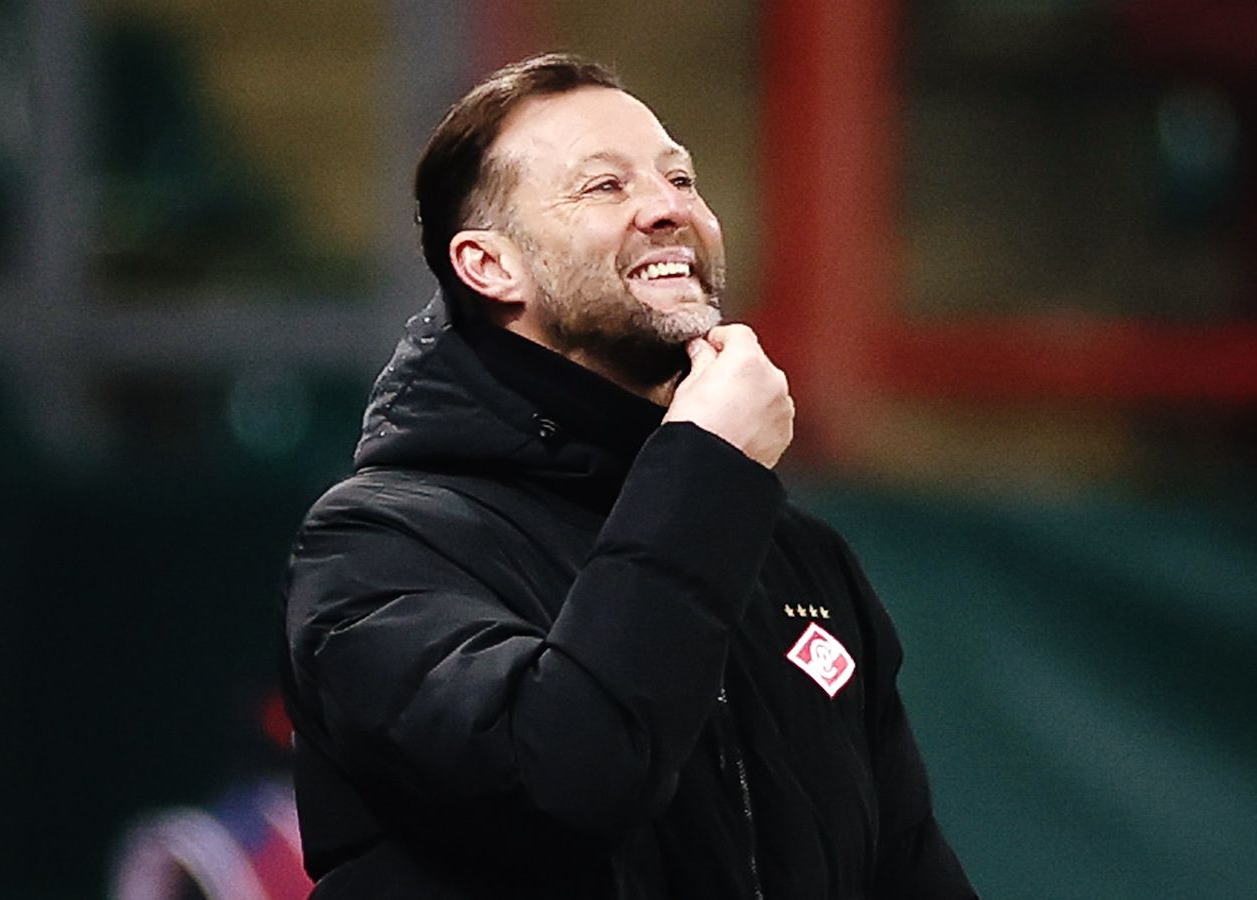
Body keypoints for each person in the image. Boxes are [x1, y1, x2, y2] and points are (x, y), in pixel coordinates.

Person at [281, 53, 977, 899]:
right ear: (489, 266)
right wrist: (706, 468)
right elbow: (561, 782)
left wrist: (709, 484)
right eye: (605, 186)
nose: (669, 208)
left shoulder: (798, 557)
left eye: (680, 178)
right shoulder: (379, 545)